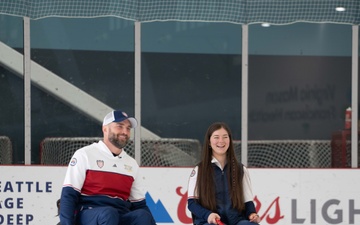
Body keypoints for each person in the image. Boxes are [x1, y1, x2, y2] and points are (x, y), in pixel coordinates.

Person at [59, 110, 156, 225]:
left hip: (119, 214)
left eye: (128, 128)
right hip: (89, 213)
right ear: (105, 129)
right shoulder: (85, 154)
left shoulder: (131, 164)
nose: (125, 132)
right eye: (119, 126)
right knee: (108, 213)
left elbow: (139, 204)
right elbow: (69, 195)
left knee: (142, 216)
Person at [187, 122, 260, 225]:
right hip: (210, 222)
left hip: (236, 221)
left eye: (225, 137)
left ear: (229, 140)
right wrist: (208, 215)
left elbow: (247, 201)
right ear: (209, 142)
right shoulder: (200, 170)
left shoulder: (240, 169)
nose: (221, 141)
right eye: (216, 137)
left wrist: (252, 214)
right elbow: (192, 204)